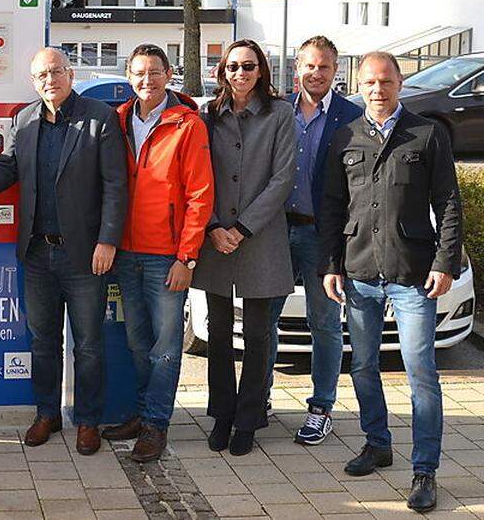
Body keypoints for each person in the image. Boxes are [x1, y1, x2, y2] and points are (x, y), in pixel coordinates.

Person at [0, 47, 128, 456]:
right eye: (40, 76)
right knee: (42, 342)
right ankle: (47, 414)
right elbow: (7, 169)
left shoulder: (99, 118)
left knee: (88, 344)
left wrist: (107, 240)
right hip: (37, 253)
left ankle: (87, 420)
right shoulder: (25, 119)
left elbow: (115, 185)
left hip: (85, 255)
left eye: (55, 72)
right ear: (34, 83)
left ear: (70, 74)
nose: (49, 80)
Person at [320, 51, 462, 512]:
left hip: (412, 272)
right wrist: (330, 264)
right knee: (362, 366)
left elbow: (449, 204)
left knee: (420, 372)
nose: (377, 90)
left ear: (400, 83)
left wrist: (446, 262)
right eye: (369, 83)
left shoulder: (427, 133)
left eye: (385, 81)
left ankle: (425, 470)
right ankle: (377, 443)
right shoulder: (344, 136)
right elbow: (332, 208)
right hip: (359, 272)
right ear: (357, 86)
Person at [101, 44, 213, 462]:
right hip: (126, 251)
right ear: (129, 76)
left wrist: (187, 258)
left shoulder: (187, 125)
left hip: (167, 256)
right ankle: (143, 412)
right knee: (137, 342)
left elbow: (201, 194)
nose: (146, 80)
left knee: (166, 347)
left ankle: (155, 425)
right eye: (138, 73)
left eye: (154, 72)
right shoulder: (116, 120)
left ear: (169, 75)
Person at [192, 39, 296, 457]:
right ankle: (221, 413)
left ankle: (248, 419)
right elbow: (198, 175)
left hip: (261, 239)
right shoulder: (208, 115)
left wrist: (243, 228)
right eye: (233, 66)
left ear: (261, 71)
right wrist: (215, 226)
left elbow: (283, 177)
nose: (241, 73)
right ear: (222, 72)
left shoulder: (280, 114)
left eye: (249, 66)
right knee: (217, 335)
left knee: (257, 334)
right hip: (216, 240)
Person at [265, 36, 361, 446]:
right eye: (309, 66)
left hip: (323, 235)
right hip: (272, 230)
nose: (316, 73)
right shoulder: (276, 109)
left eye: (324, 67)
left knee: (324, 323)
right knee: (262, 318)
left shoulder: (351, 116)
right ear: (296, 67)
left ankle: (321, 407)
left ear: (335, 71)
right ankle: (259, 397)